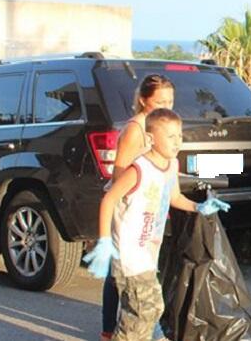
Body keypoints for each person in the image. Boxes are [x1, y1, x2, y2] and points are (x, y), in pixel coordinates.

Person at [83, 108, 231, 341]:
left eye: (179, 135)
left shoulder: (170, 165)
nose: (177, 141)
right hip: (129, 255)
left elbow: (174, 197)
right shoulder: (139, 169)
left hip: (148, 253)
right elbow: (109, 198)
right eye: (170, 136)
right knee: (143, 312)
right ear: (151, 139)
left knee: (149, 310)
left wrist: (199, 207)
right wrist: (103, 241)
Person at [99, 74, 175, 341]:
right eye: (160, 101)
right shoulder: (136, 130)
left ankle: (133, 332)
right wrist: (107, 237)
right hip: (130, 214)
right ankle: (113, 332)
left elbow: (175, 169)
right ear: (143, 100)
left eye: (170, 100)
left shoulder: (166, 127)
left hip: (150, 213)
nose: (167, 105)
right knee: (124, 278)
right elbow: (120, 179)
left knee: (140, 282)